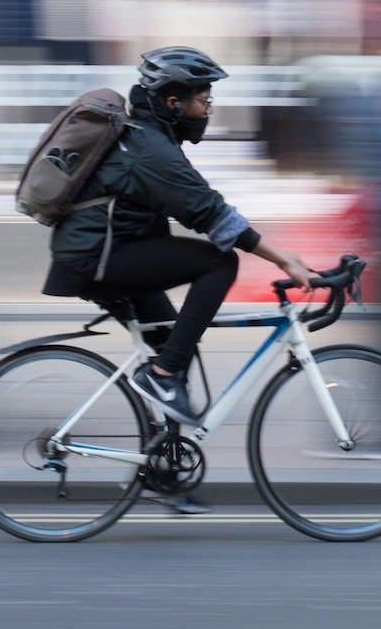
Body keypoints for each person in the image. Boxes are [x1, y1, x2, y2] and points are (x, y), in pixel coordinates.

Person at [41, 46, 312, 427]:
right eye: (204, 99)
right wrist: (283, 259)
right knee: (220, 261)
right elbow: (210, 214)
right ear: (173, 102)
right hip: (95, 259)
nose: (209, 109)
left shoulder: (149, 140)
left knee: (175, 348)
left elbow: (196, 207)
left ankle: (165, 469)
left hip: (106, 253)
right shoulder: (148, 149)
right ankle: (163, 378)